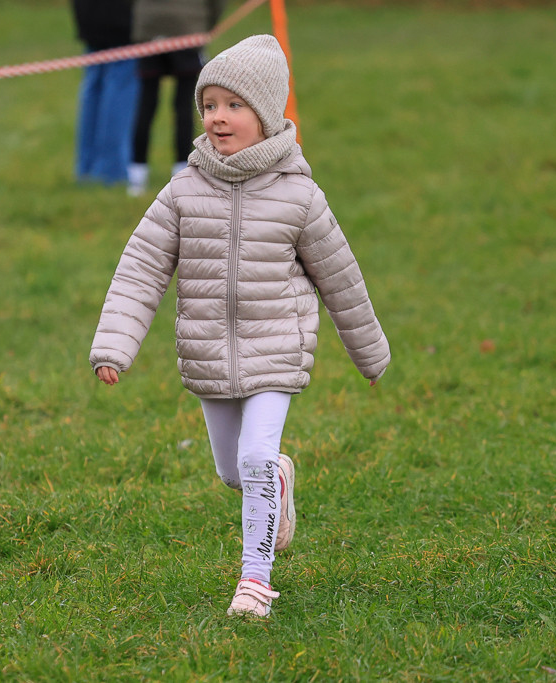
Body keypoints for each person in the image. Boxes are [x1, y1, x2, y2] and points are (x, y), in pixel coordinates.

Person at [90, 35, 390, 618]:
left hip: (278, 349)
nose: (218, 118)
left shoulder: (299, 196)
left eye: (234, 105)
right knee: (236, 472)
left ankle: (254, 583)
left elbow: (341, 279)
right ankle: (276, 479)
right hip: (208, 355)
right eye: (209, 106)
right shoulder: (182, 192)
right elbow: (140, 270)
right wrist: (114, 348)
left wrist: (370, 354)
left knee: (252, 459)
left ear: (268, 113)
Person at [127, 0, 225, 196]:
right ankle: (181, 170)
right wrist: (205, 26)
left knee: (146, 103)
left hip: (149, 28)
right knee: (183, 104)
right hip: (187, 27)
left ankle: (137, 175)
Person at [71, 0, 140, 185]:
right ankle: (111, 172)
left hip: (88, 17)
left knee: (93, 88)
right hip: (121, 20)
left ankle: (86, 168)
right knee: (119, 90)